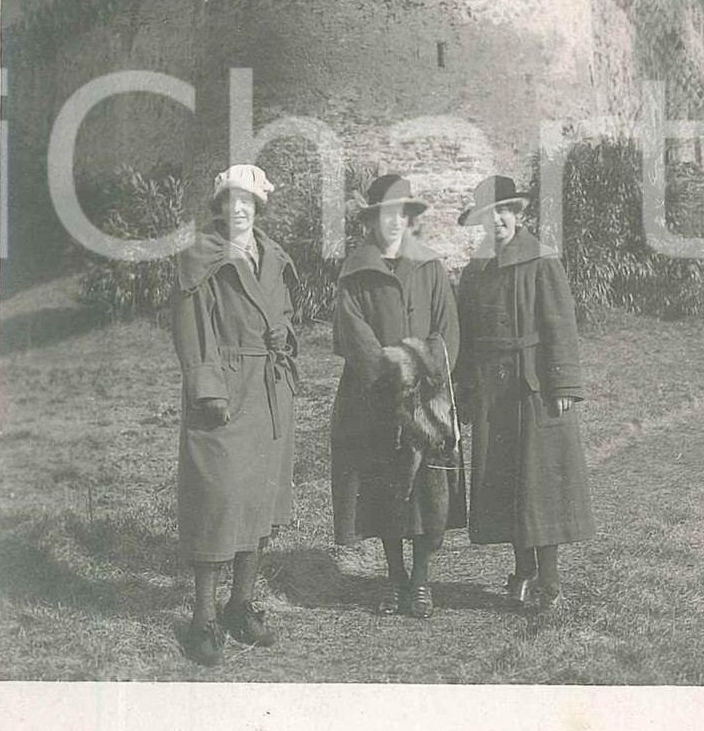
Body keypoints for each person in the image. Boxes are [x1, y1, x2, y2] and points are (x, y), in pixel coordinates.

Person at [171, 164, 299, 666]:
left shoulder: (273, 257)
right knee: (217, 501)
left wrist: (283, 336)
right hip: (224, 392)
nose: (239, 209)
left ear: (258, 207)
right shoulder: (200, 259)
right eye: (230, 200)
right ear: (219, 207)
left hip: (270, 391)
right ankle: (202, 619)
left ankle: (239, 606)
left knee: (258, 500)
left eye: (247, 201)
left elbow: (286, 314)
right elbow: (191, 331)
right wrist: (208, 391)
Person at [455, 175, 595, 611]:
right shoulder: (476, 270)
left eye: (504, 211)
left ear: (518, 214)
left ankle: (548, 580)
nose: (497, 220)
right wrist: (462, 387)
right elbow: (463, 334)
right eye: (488, 215)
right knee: (503, 481)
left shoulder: (541, 260)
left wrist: (563, 384)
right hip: (492, 391)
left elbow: (560, 326)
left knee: (540, 484)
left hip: (533, 387)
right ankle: (522, 569)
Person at [330, 174, 463, 619]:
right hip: (374, 396)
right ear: (372, 220)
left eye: (400, 215)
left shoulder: (430, 267)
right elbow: (352, 335)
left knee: (426, 490)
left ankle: (422, 581)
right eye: (384, 215)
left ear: (409, 219)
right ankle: (394, 577)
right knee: (384, 488)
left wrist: (423, 364)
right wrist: (390, 368)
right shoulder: (355, 273)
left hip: (425, 399)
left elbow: (448, 331)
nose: (393, 223)